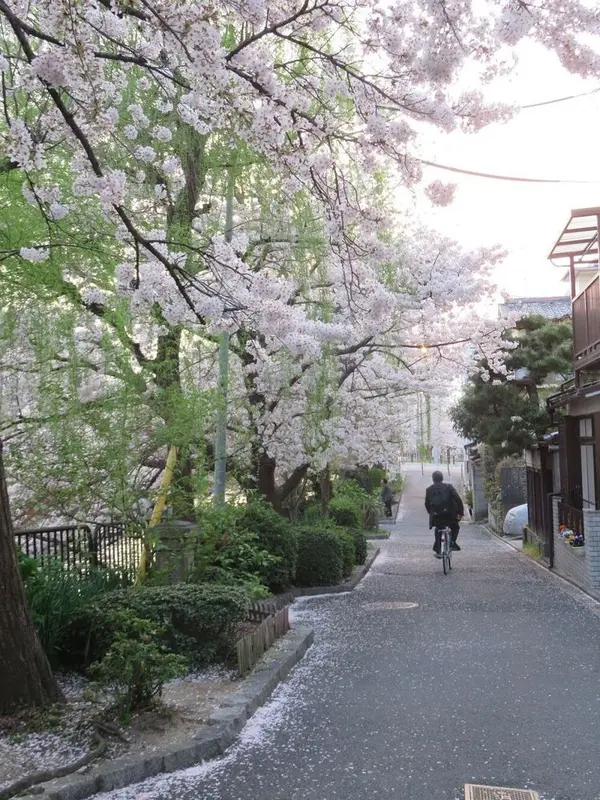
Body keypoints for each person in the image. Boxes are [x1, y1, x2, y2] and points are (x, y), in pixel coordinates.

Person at [424, 470, 464, 557]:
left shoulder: (429, 490)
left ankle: (438, 550)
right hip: (450, 515)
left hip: (436, 516)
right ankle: (452, 542)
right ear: (442, 478)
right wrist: (460, 513)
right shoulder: (449, 487)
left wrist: (431, 513)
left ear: (433, 479)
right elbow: (457, 499)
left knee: (438, 529)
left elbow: (427, 504)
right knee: (455, 526)